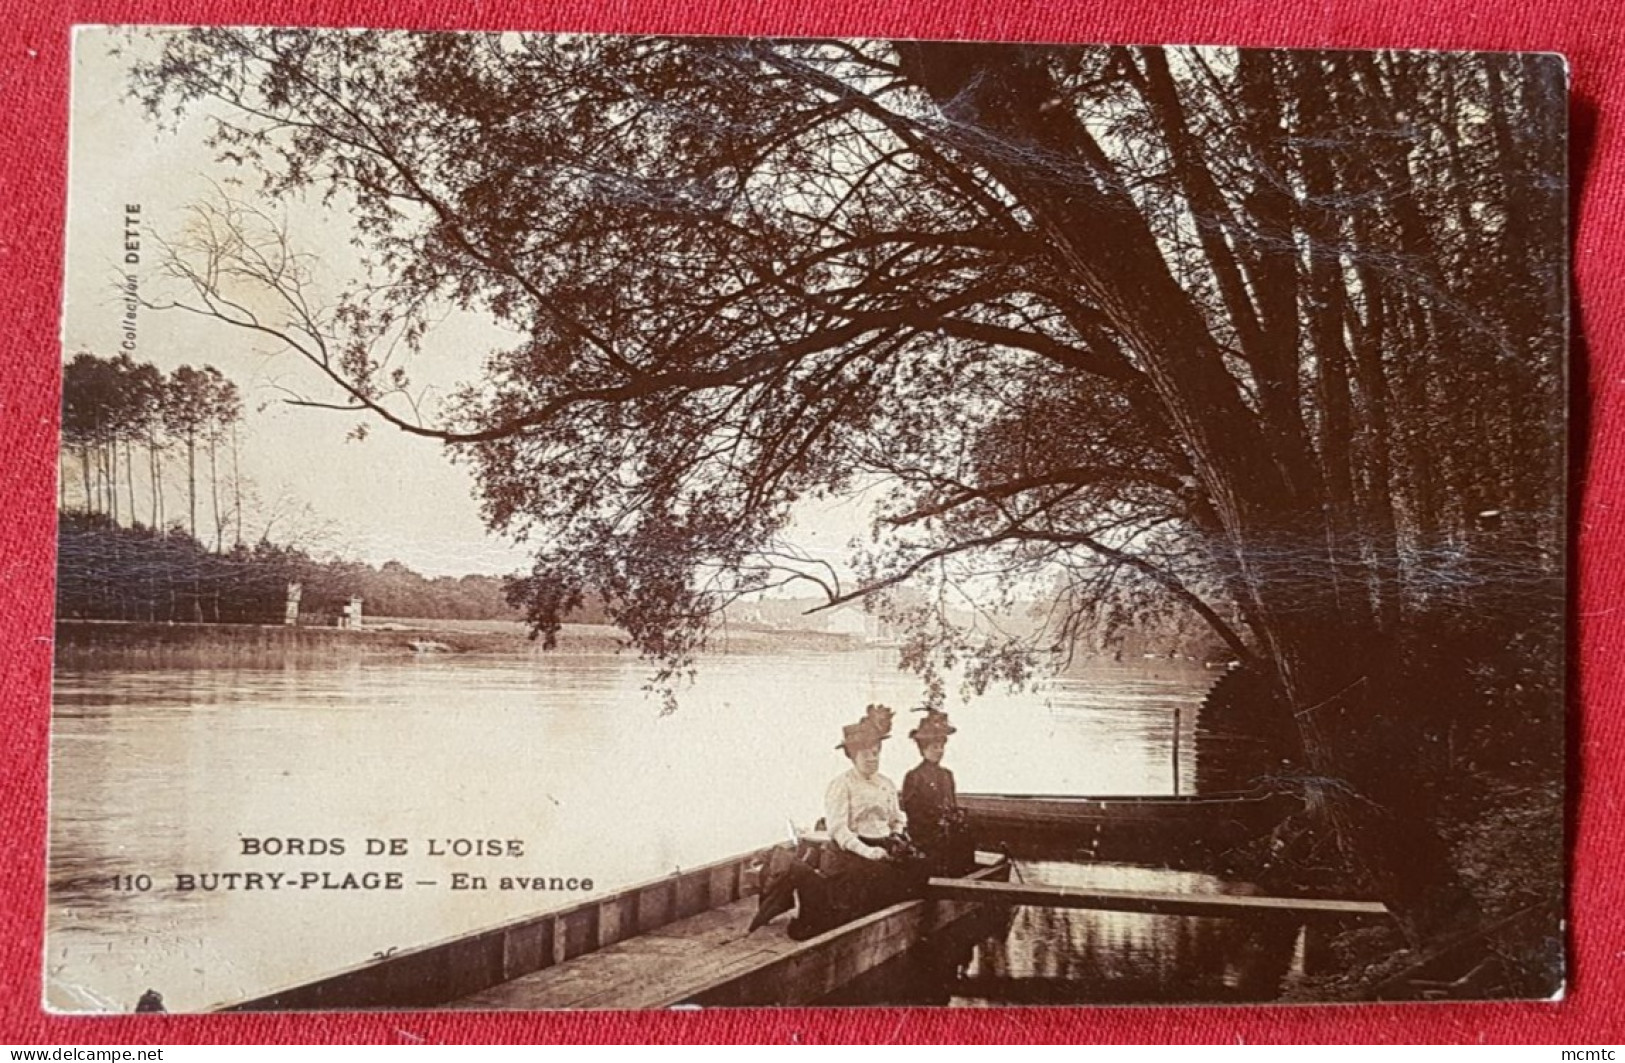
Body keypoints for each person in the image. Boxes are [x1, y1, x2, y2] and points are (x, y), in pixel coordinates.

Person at [781, 717, 926, 940]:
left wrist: (896, 836)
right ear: (852, 755)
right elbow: (839, 830)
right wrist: (868, 852)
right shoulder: (842, 785)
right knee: (873, 879)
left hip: (883, 847)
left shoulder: (886, 783)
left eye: (876, 751)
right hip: (851, 852)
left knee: (919, 871)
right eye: (865, 753)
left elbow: (897, 818)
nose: (872, 757)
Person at [900, 709, 976, 875]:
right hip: (926, 835)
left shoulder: (947, 775)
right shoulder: (914, 776)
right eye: (935, 747)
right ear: (923, 749)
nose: (939, 750)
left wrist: (955, 818)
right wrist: (936, 822)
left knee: (966, 838)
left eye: (941, 746)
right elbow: (912, 812)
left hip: (948, 833)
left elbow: (952, 804)